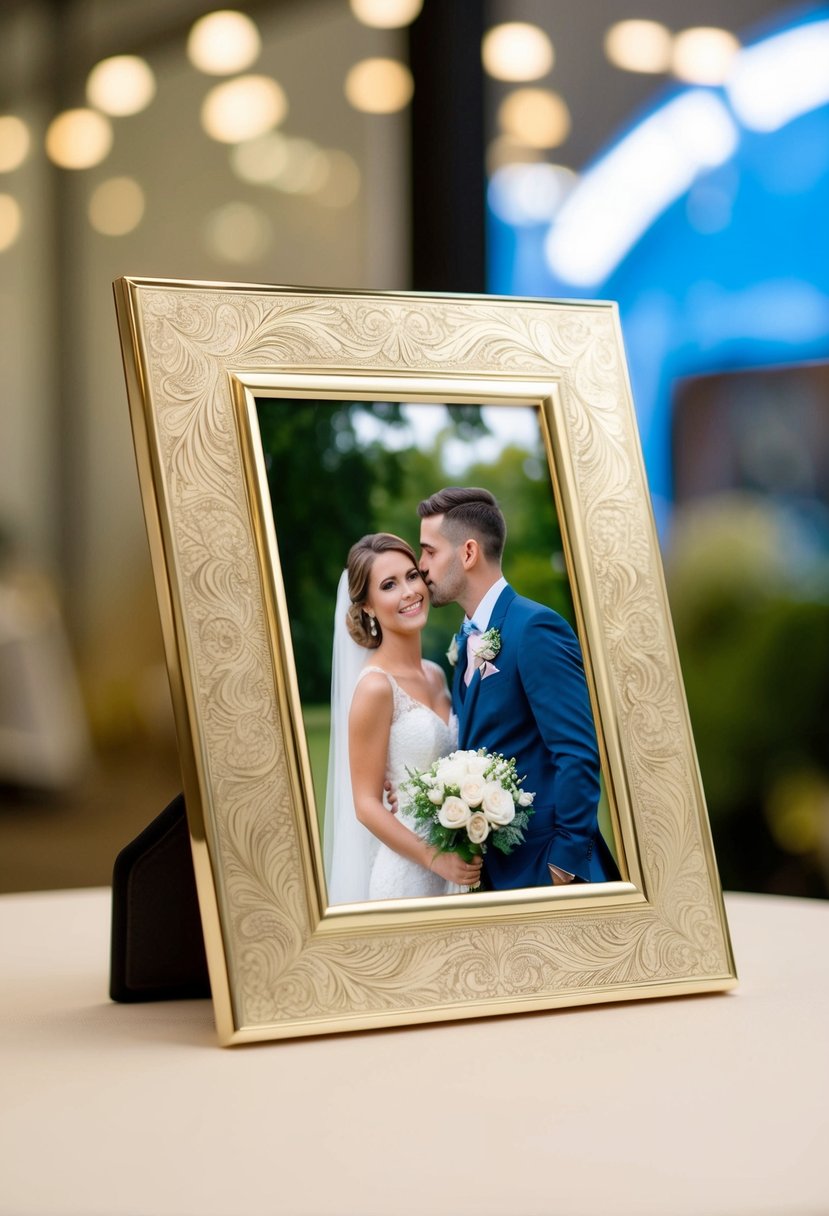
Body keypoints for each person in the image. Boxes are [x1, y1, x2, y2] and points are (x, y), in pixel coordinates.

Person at [418, 487, 619, 890]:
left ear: (468, 553)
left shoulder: (534, 629)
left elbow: (577, 751)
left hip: (547, 873)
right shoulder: (464, 643)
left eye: (428, 551)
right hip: (495, 875)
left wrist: (565, 863)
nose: (420, 566)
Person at [324, 532, 483, 903]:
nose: (409, 591)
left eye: (412, 576)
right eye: (389, 585)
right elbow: (365, 805)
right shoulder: (376, 688)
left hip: (461, 864)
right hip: (409, 874)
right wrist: (435, 859)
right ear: (367, 605)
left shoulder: (437, 673)